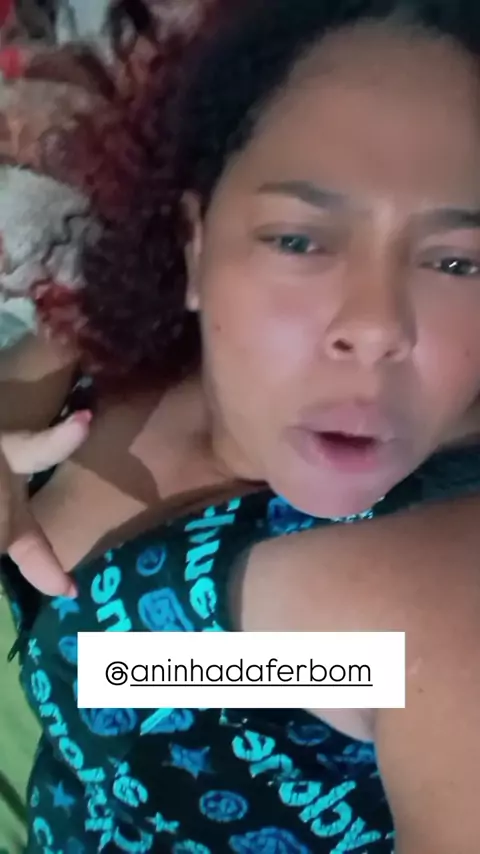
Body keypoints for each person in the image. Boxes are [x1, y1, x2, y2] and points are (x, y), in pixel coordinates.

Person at [2, 0, 480, 850]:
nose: (376, 326)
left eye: (457, 261)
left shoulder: (440, 587)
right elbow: (138, 671)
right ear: (196, 246)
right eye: (298, 241)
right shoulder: (109, 355)